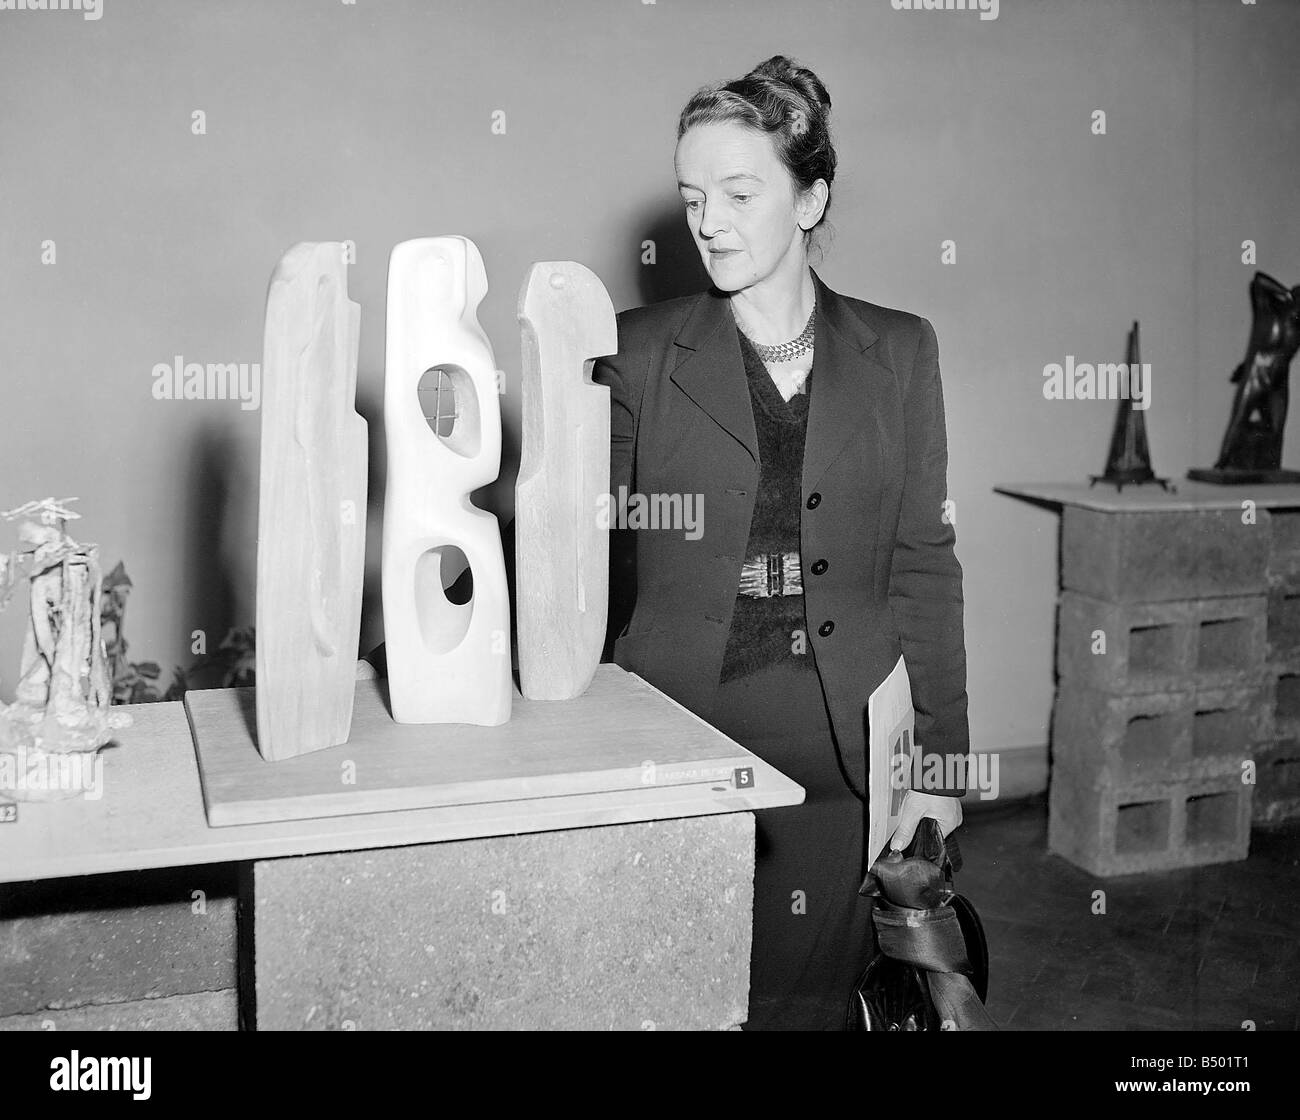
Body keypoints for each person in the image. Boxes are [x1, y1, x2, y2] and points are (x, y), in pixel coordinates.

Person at [593, 54, 970, 1031]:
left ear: (810, 197)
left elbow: (924, 564)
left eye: (739, 191)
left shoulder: (900, 351)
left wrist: (940, 766)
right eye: (690, 196)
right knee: (678, 997)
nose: (708, 221)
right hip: (681, 735)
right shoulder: (633, 355)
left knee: (814, 1004)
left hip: (848, 751)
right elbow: (588, 566)